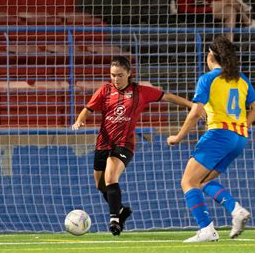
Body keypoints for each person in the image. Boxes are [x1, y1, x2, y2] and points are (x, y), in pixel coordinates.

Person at [72, 56, 193, 236]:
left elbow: (167, 96)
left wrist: (191, 105)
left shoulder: (140, 92)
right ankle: (121, 210)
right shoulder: (105, 90)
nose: (116, 79)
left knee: (111, 176)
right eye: (113, 75)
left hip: (124, 144)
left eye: (120, 75)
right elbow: (87, 109)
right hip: (103, 143)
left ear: (129, 73)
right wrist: (79, 121)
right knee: (100, 184)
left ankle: (115, 220)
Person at [167, 35, 255, 242]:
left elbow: (194, 113)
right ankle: (235, 209)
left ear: (210, 56)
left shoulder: (208, 79)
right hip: (239, 138)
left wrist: (178, 136)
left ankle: (206, 230)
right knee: (202, 181)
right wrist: (243, 125)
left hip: (218, 134)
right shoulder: (240, 79)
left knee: (188, 181)